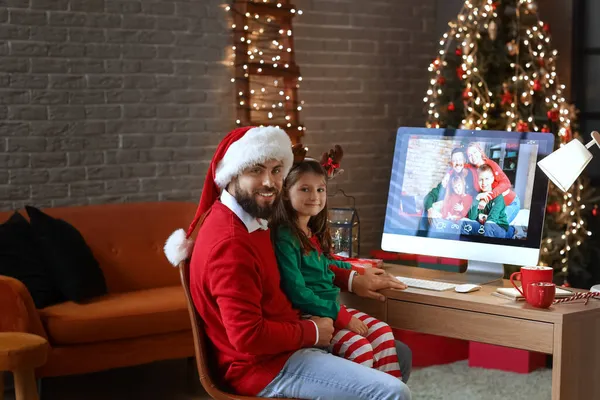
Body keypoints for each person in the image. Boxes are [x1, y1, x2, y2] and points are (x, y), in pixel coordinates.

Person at [164, 126, 412, 400]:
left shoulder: (254, 220)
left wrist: (351, 278)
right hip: (264, 366)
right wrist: (313, 331)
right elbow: (248, 337)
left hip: (287, 342)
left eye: (276, 170)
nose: (269, 182)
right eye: (256, 170)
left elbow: (298, 262)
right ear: (232, 173)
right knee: (392, 392)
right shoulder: (231, 244)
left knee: (399, 353)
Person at [271, 150, 403, 380]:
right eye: (305, 189)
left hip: (333, 308)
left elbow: (327, 262)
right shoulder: (285, 237)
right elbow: (297, 291)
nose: (315, 196)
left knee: (383, 332)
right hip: (311, 315)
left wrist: (357, 272)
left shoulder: (311, 232)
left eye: (320, 189)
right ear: (285, 193)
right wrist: (341, 317)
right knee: (359, 348)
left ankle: (388, 393)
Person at [466, 142, 520, 223]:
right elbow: (458, 165)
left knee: (495, 227)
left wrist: (487, 198)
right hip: (493, 206)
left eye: (474, 152)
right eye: (470, 155)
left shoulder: (491, 164)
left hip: (509, 202)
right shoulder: (472, 169)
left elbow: (506, 183)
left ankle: (513, 231)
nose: (473, 156)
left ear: (480, 151)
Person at [461, 164, 509, 238]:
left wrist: (482, 217)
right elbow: (472, 217)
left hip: (499, 228)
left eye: (487, 179)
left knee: (489, 225)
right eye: (481, 179)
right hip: (482, 226)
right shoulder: (477, 196)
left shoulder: (498, 197)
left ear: (492, 179)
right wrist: (477, 199)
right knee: (464, 222)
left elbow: (493, 219)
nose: (483, 183)